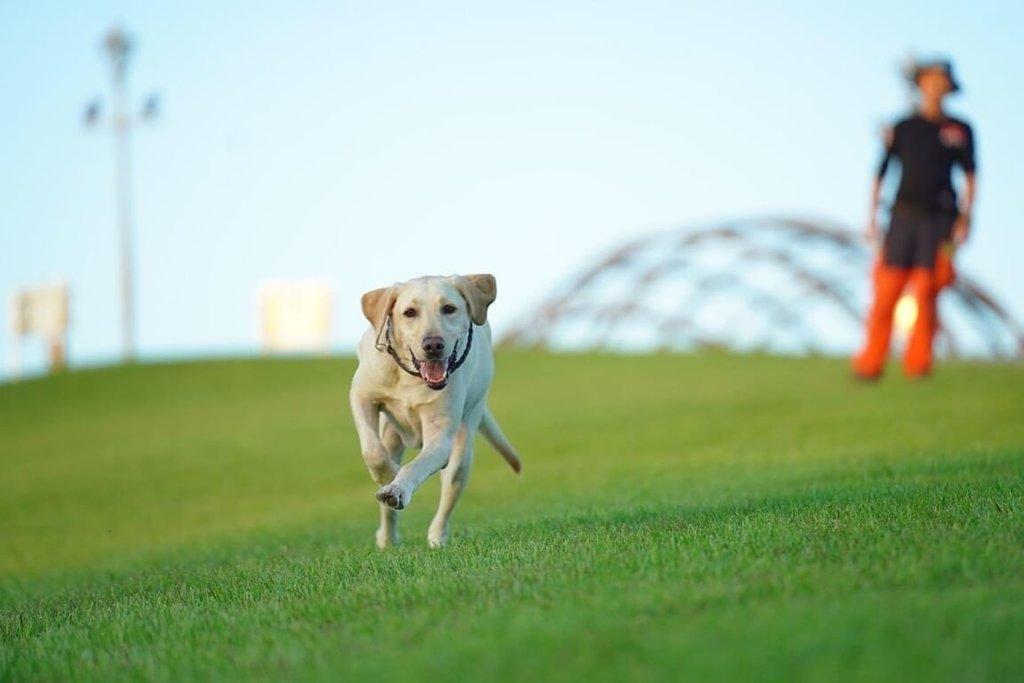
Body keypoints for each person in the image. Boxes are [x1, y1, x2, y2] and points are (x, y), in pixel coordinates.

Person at [852, 58, 977, 379]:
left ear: (949, 88)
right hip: (902, 218)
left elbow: (970, 175)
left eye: (940, 81)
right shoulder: (903, 127)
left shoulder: (959, 130)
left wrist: (966, 218)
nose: (935, 87)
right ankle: (870, 363)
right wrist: (871, 217)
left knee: (927, 291)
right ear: (919, 85)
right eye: (929, 80)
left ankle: (919, 364)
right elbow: (881, 173)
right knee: (886, 290)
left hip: (940, 221)